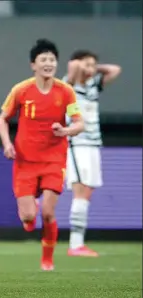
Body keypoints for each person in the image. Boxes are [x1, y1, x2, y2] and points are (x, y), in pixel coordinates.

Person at [0, 39, 84, 271]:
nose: (48, 64)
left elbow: (79, 123)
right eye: (43, 60)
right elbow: (2, 119)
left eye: (52, 60)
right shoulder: (21, 90)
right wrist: (7, 144)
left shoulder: (65, 91)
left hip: (54, 160)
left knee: (47, 212)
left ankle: (47, 258)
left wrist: (66, 130)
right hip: (25, 161)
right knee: (28, 218)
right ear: (33, 65)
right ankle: (28, 216)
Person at [63, 50, 121, 257]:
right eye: (85, 64)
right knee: (80, 191)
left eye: (93, 65)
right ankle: (75, 244)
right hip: (77, 144)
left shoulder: (93, 86)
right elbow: (73, 71)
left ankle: (78, 243)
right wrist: (81, 65)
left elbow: (115, 70)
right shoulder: (68, 86)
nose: (89, 69)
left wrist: (94, 67)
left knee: (87, 192)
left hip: (94, 145)